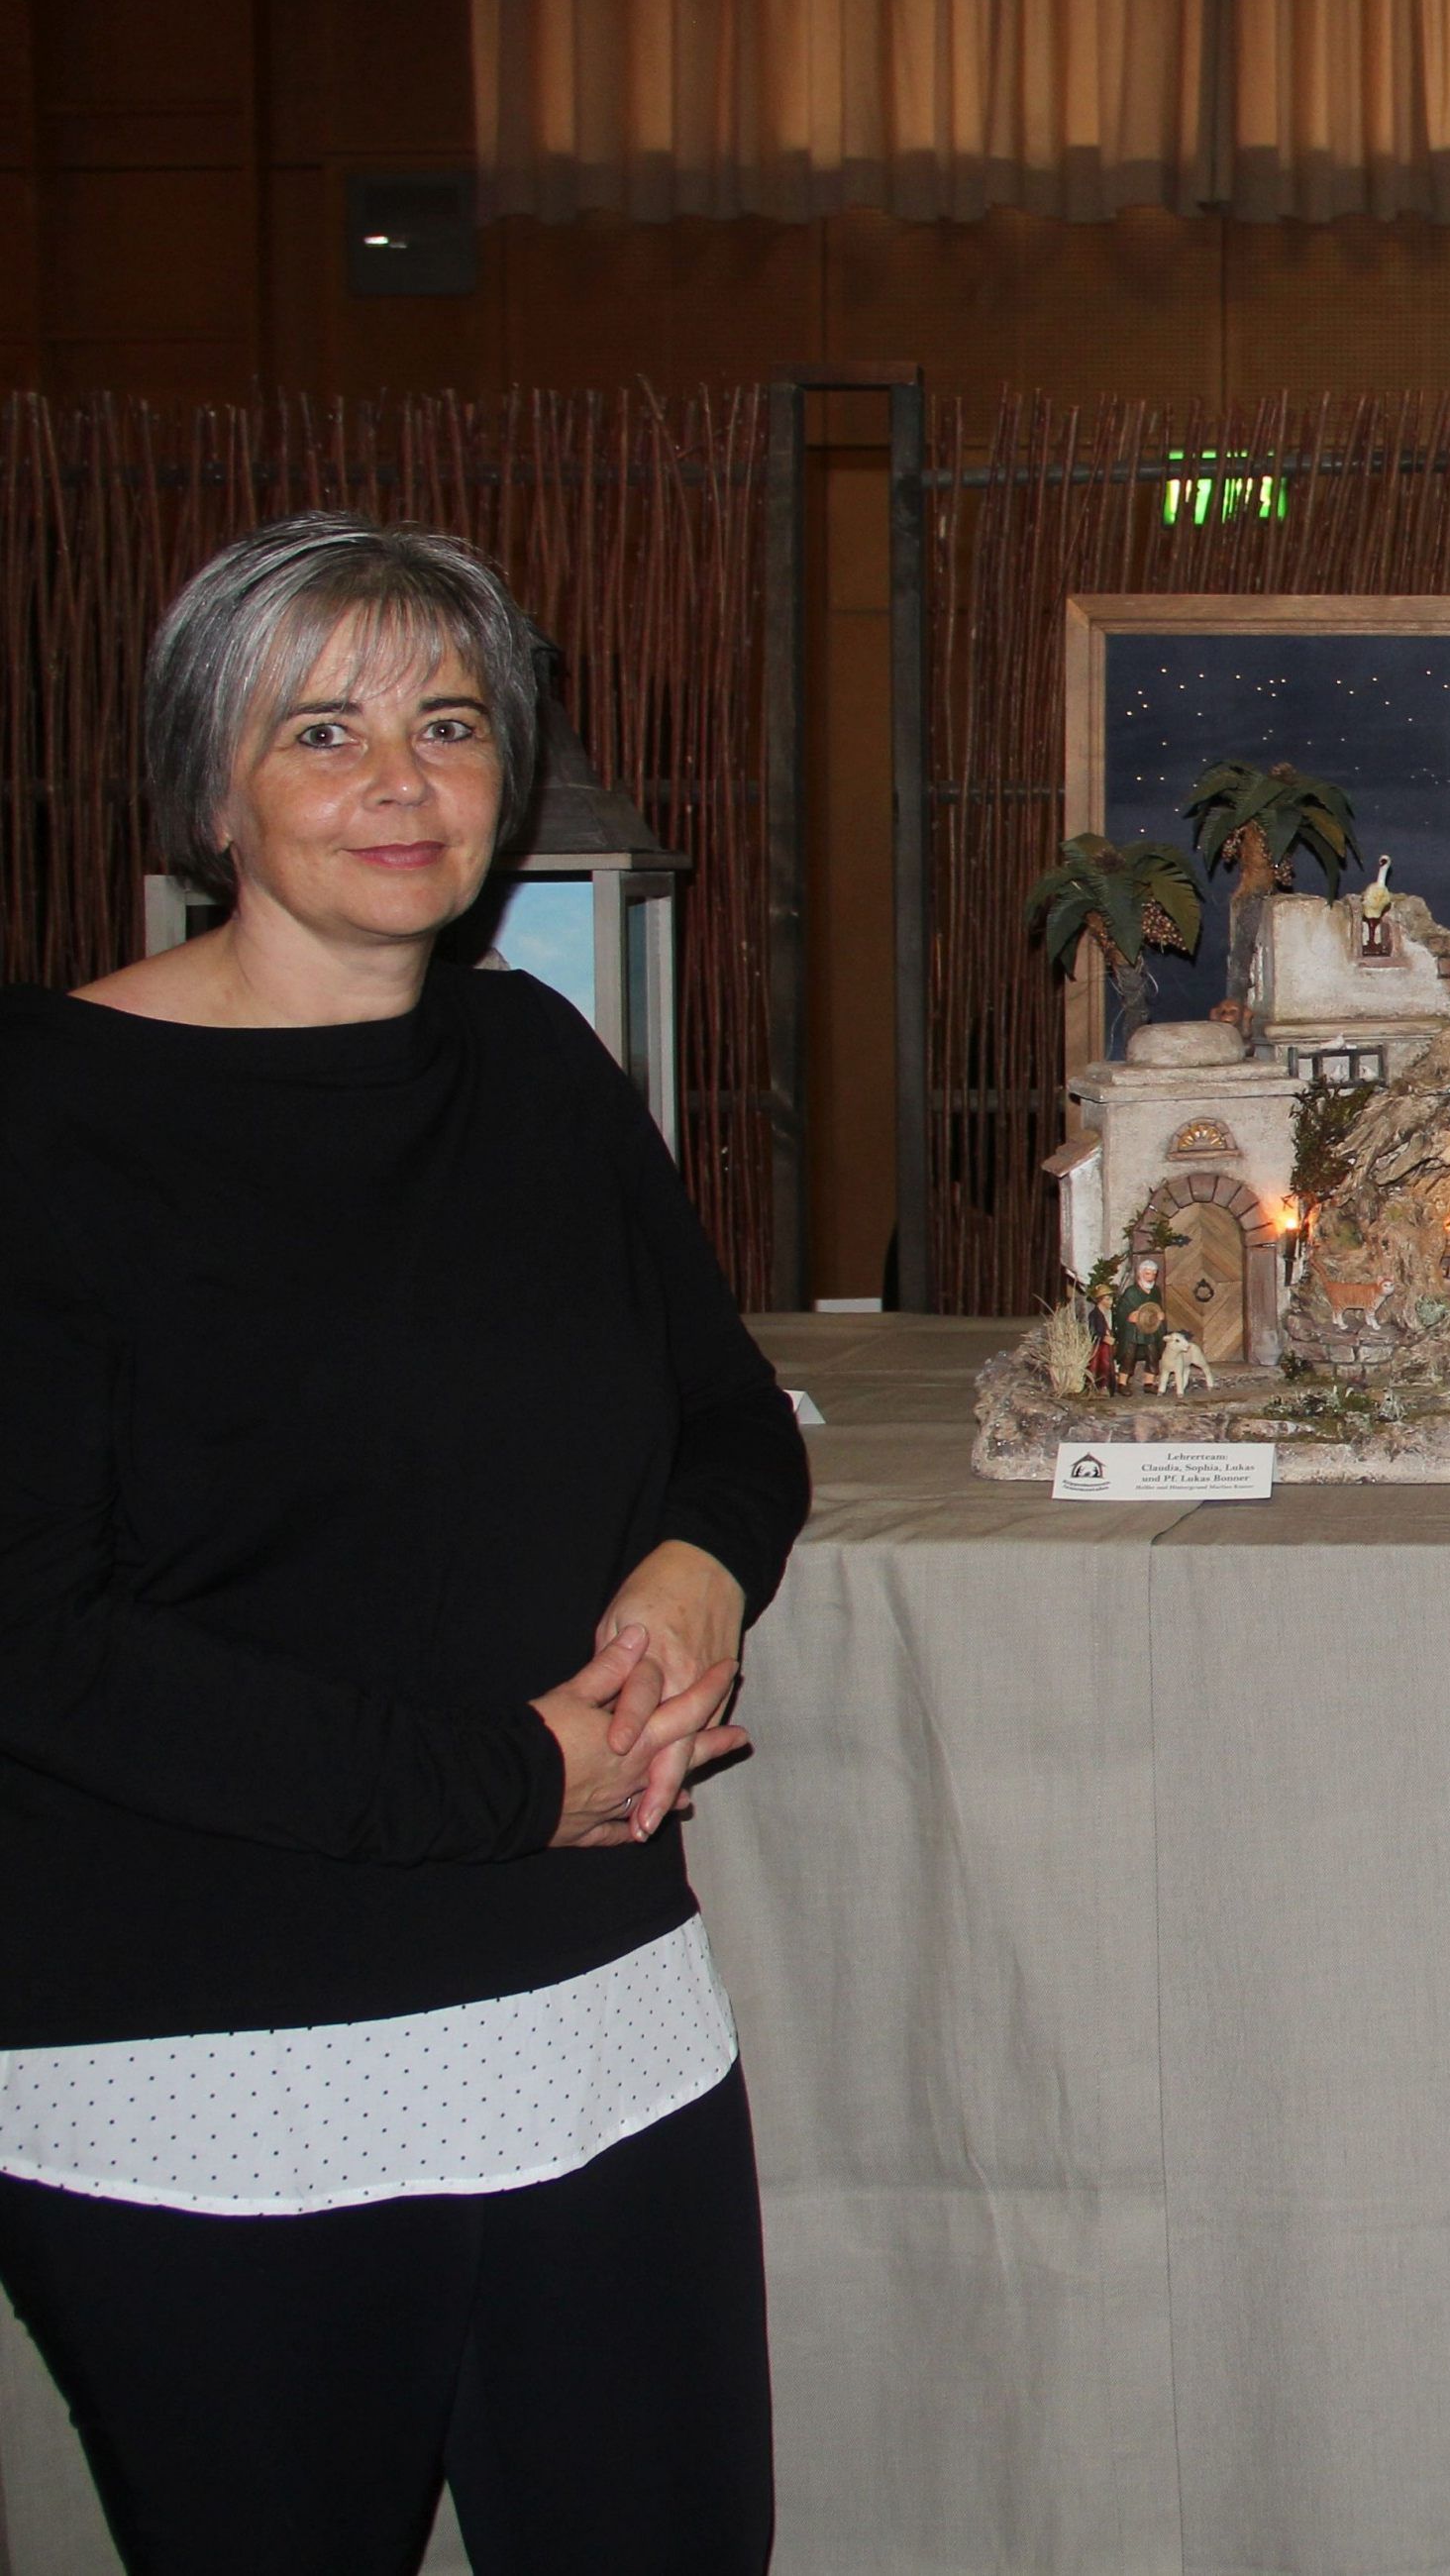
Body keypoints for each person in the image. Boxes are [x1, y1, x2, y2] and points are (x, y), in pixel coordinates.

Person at [0, 513, 807, 2571]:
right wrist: (507, 1779)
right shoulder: (46, 1116)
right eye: (324, 730)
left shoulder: (534, 1064)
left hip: (590, 2017)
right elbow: (40, 1641)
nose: (400, 782)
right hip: (205, 2048)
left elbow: (724, 1418)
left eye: (449, 724)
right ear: (212, 788)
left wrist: (700, 1564)